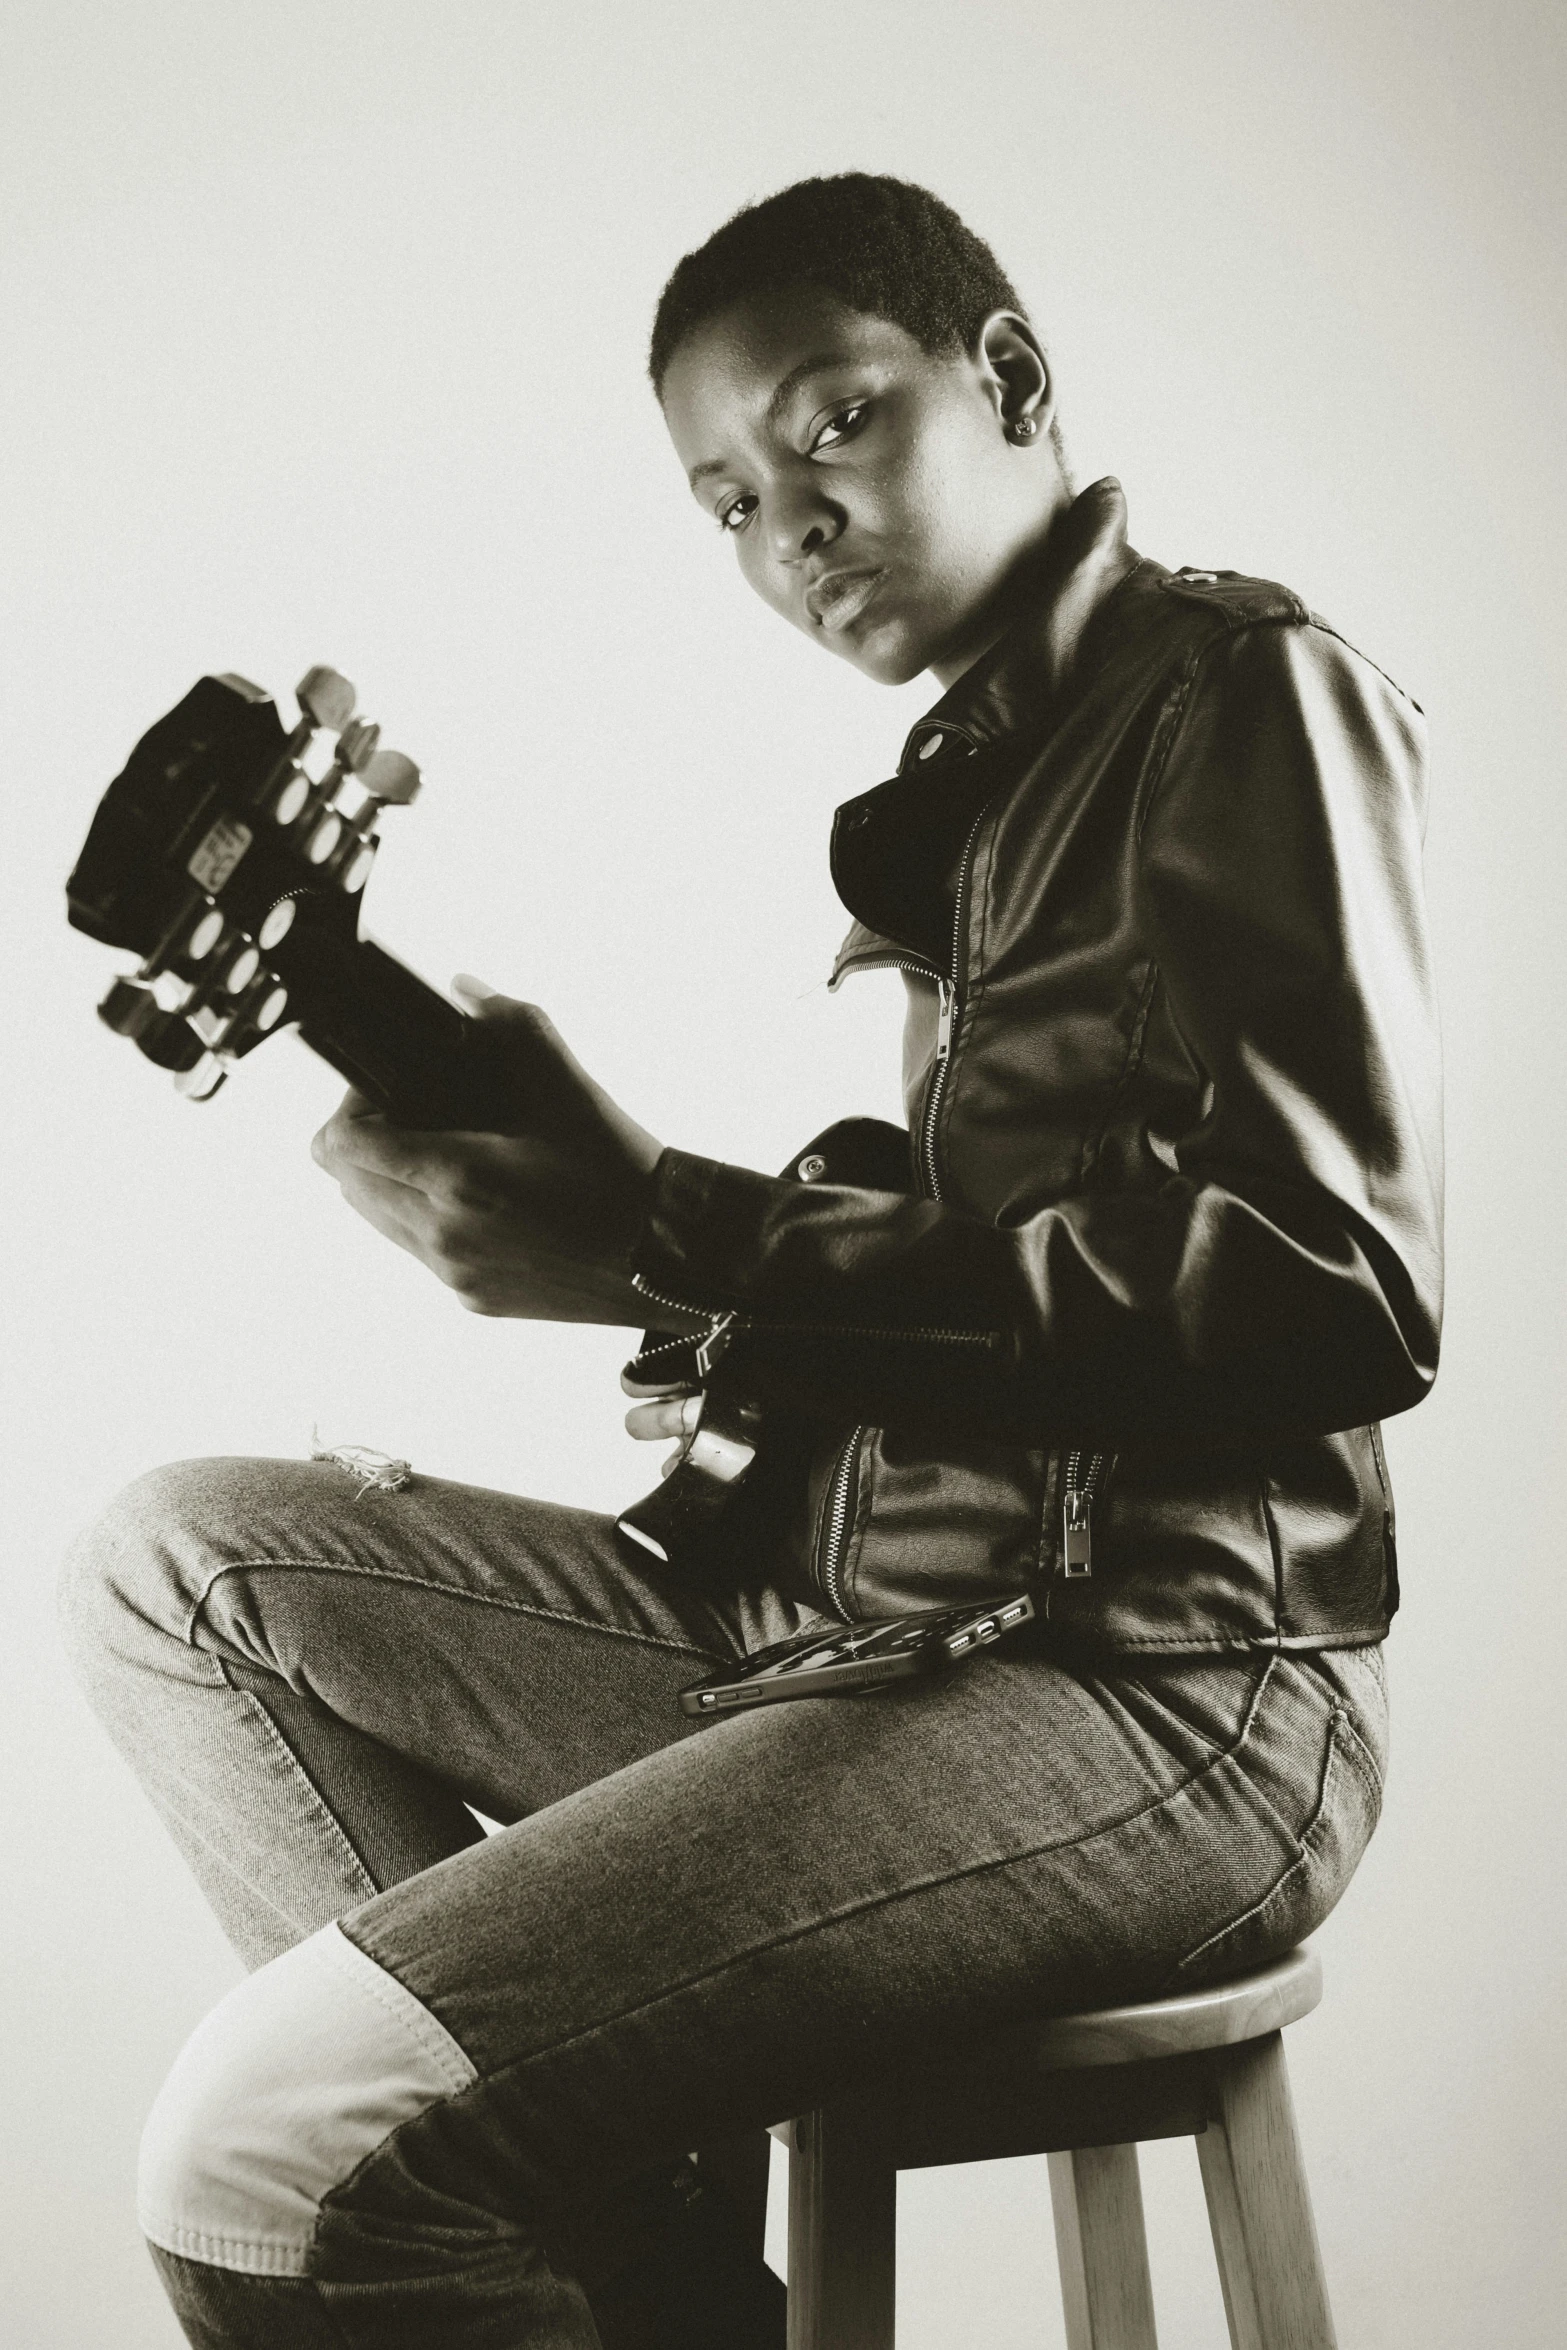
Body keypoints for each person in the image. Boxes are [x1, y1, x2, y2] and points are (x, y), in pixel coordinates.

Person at [61, 173, 1442, 2349]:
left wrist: (673, 1234)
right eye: (722, 498)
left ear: (1005, 380)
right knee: (170, 1563)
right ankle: (661, 2277)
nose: (785, 524)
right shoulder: (974, 793)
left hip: (1166, 1683)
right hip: (880, 1630)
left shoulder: (1238, 690)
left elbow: (1320, 1287)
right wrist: (670, 1257)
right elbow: (985, 1276)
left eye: (832, 425)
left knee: (274, 2144)